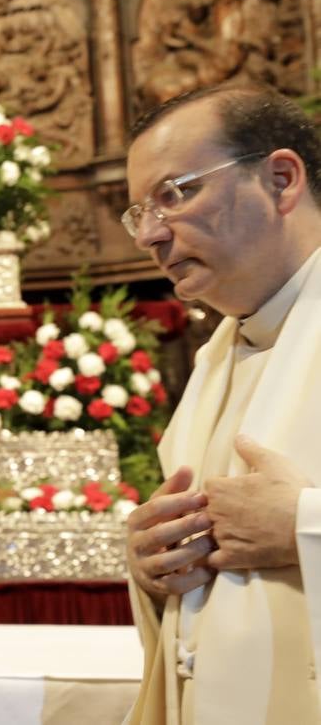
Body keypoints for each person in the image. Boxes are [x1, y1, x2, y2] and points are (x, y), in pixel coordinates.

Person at [121, 84, 321, 724]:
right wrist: (156, 565)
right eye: (137, 213)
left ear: (280, 180)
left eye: (175, 195)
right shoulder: (216, 357)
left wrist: (304, 526)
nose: (150, 236)